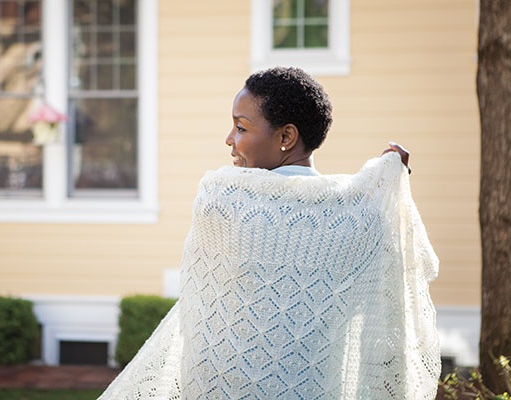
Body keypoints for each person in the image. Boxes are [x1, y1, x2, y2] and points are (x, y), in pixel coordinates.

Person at [98, 67, 440, 399]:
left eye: (241, 128)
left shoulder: (223, 200)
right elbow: (415, 269)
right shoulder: (359, 219)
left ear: (286, 137)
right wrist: (389, 189)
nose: (229, 139)